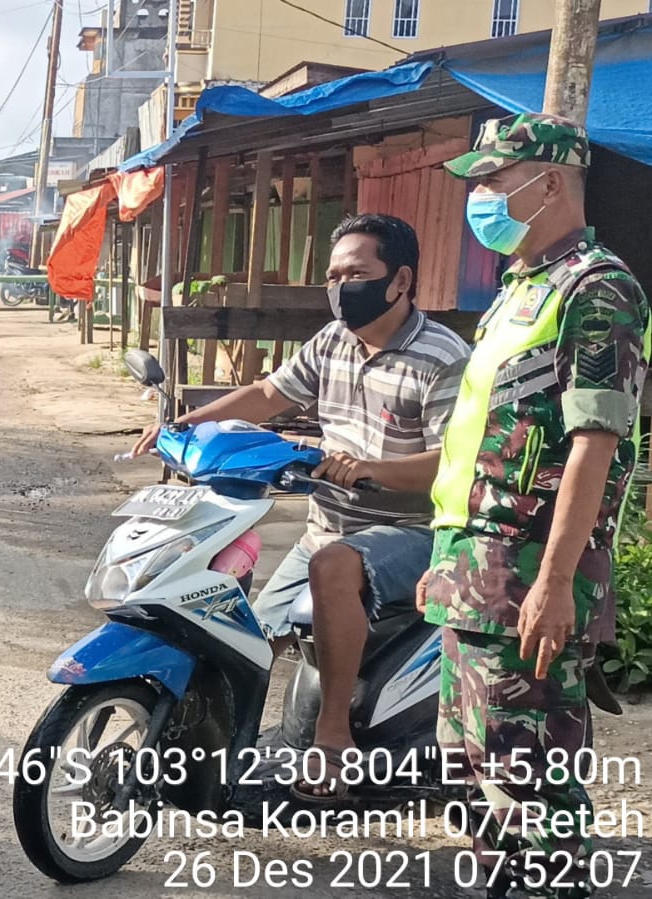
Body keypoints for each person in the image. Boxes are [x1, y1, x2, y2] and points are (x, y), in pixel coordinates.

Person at [133, 213, 469, 802]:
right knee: (244, 636)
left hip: (414, 532)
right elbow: (268, 394)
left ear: (400, 280)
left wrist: (371, 469)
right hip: (328, 526)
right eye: (334, 275)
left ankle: (332, 737)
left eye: (357, 273)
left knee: (333, 564)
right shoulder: (333, 340)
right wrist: (182, 425)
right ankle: (221, 753)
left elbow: (453, 463)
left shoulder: (443, 357)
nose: (341, 287)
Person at [422, 114, 649, 899]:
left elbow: (593, 445)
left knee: (530, 769)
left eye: (491, 180)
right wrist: (443, 559)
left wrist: (554, 582)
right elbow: (477, 437)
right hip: (472, 567)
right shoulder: (520, 288)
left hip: (527, 573)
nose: (478, 197)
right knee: (469, 760)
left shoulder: (597, 289)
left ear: (547, 182)